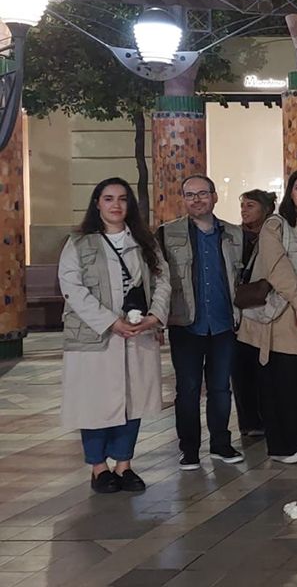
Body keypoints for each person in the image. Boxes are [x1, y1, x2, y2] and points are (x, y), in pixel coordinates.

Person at [60, 178, 171, 493]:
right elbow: (72, 288)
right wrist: (110, 322)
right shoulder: (80, 243)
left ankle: (124, 464)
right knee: (94, 402)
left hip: (138, 333)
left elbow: (162, 280)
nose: (116, 205)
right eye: (108, 198)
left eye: (122, 199)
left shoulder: (145, 241)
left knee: (132, 399)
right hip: (96, 337)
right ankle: (98, 468)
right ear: (97, 203)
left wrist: (154, 316)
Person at [238, 169, 297, 465]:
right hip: (285, 315)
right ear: (290, 192)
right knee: (281, 382)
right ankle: (280, 445)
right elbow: (277, 267)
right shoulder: (275, 225)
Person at [157, 175, 245, 471]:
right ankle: (189, 449)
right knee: (189, 388)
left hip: (223, 322)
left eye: (202, 194)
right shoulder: (167, 234)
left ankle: (221, 443)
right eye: (189, 194)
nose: (196, 199)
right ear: (183, 199)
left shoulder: (234, 234)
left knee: (221, 388)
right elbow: (156, 280)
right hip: (186, 323)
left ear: (215, 197)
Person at [233, 189, 275, 440]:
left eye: (251, 205)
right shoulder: (234, 236)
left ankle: (266, 416)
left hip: (266, 309)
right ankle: (248, 421)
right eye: (243, 206)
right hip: (241, 310)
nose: (245, 210)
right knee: (241, 367)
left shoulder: (272, 235)